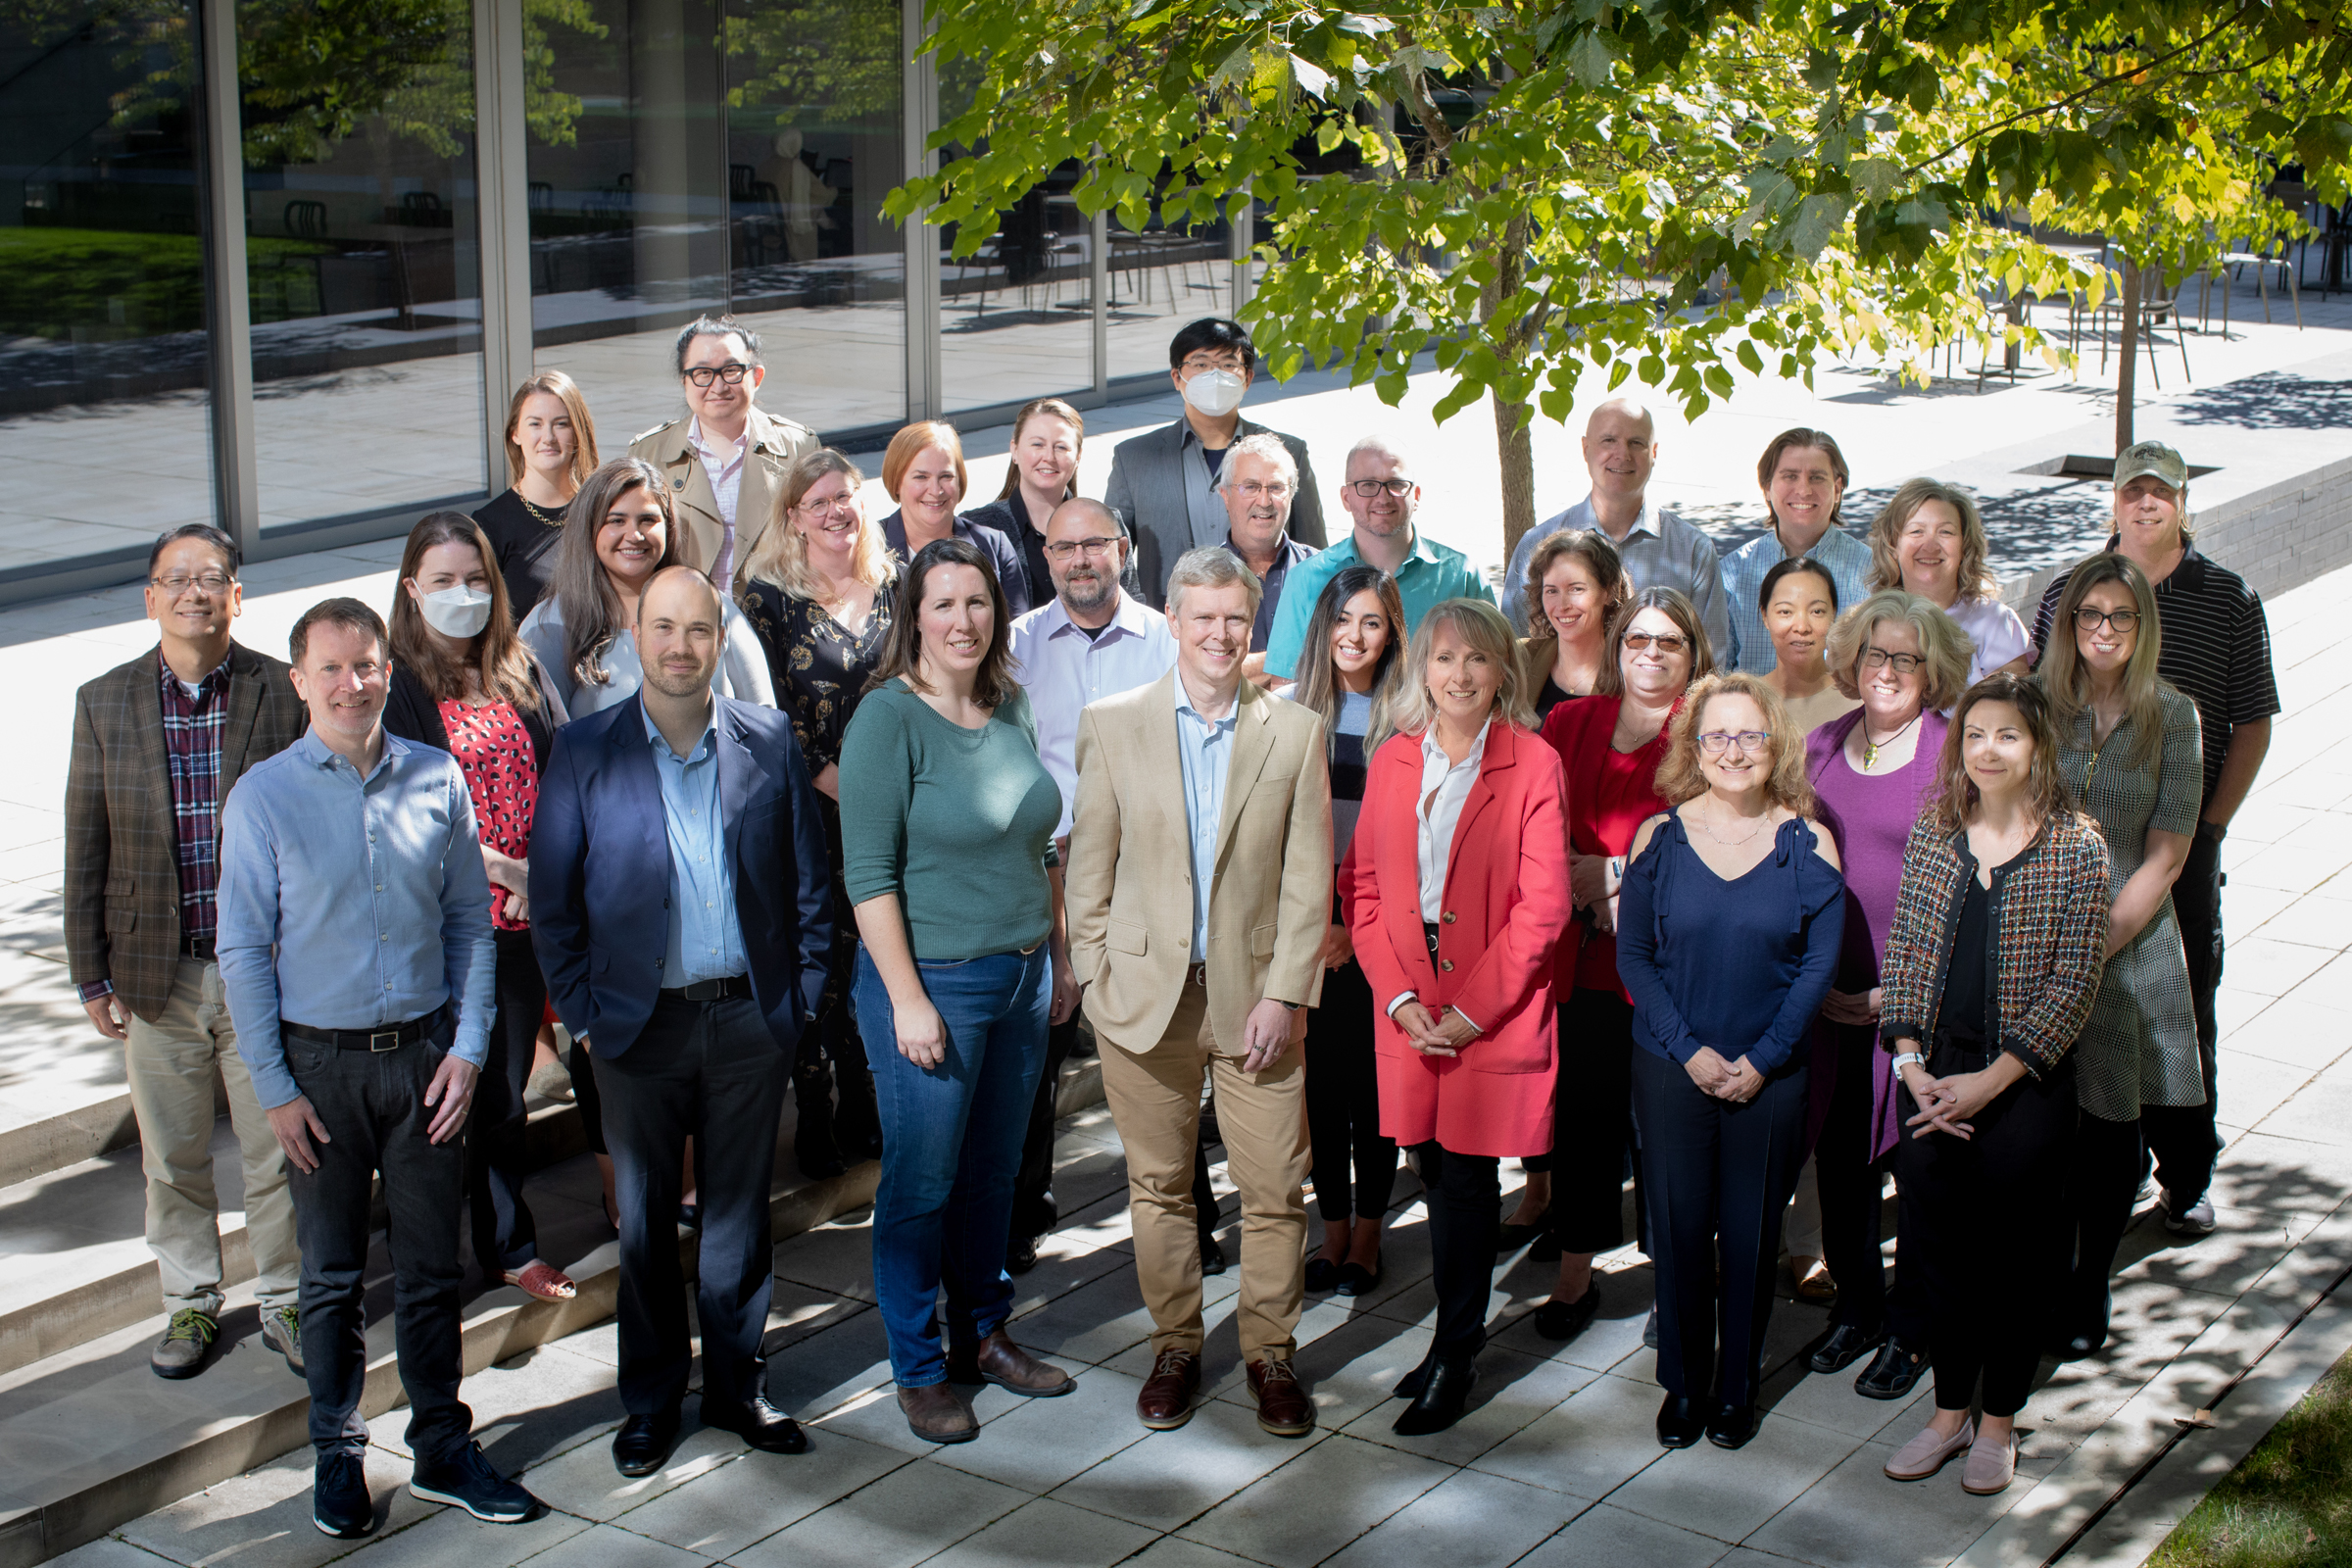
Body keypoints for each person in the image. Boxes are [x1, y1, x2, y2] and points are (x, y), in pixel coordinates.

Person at [217, 599, 543, 1539]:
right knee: (329, 1279)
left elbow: (468, 925)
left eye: (366, 666)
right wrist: (275, 1088)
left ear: (386, 672)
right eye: (332, 668)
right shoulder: (264, 798)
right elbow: (242, 952)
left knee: (433, 1270)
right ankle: (337, 1453)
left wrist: (471, 1049)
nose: (353, 683)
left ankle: (443, 1445)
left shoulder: (436, 779)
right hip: (318, 1072)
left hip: (424, 1064)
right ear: (300, 681)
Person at [529, 566, 835, 1477]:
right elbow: (554, 907)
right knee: (647, 1224)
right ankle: (652, 1402)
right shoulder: (585, 751)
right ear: (635, 636)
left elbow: (811, 887)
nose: (679, 647)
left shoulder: (769, 739)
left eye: (697, 630)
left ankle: (739, 1389)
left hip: (750, 1021)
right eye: (662, 628)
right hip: (635, 1030)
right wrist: (584, 1017)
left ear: (718, 639)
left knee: (740, 1219)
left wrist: (799, 1001)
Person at [1066, 547, 1333, 1438]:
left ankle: (1270, 1353)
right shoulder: (1111, 724)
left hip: (1256, 999)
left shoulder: (1295, 732)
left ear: (1249, 624)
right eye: (1202, 616)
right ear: (1172, 622)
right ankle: (1175, 1344)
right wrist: (1098, 973)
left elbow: (1308, 880)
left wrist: (1286, 993)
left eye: (1234, 617)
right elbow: (1088, 868)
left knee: (1273, 1189)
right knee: (1159, 1185)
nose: (1219, 634)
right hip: (1143, 998)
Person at [839, 539, 1079, 1444]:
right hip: (934, 983)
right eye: (943, 605)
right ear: (914, 617)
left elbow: (1039, 846)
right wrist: (906, 999)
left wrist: (1055, 957)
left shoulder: (1008, 701)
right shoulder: (885, 722)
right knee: (923, 1184)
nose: (963, 622)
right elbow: (868, 876)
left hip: (1020, 978)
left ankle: (985, 1334)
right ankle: (920, 1367)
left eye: (977, 603)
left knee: (994, 1175)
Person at [66, 524, 308, 1381]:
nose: (194, 594)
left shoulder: (283, 691)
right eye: (178, 580)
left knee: (278, 1149)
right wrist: (88, 969)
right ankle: (192, 1305)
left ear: (237, 597)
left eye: (212, 580)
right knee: (171, 1157)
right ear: (151, 598)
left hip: (263, 972)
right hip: (155, 976)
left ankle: (285, 1299)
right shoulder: (104, 700)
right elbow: (84, 841)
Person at [2030, 441, 2277, 1240]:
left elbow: (2253, 723)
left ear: (2180, 503)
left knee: (2178, 1005)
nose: (2145, 506)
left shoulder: (2229, 598)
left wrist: (2209, 828)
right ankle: (2111, 1155)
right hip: (2068, 848)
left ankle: (2186, 1171)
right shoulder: (2069, 590)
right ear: (2113, 502)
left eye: (2159, 494)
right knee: (2084, 1013)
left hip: (2175, 832)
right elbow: (2039, 694)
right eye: (2131, 492)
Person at [1877, 673, 2110, 1497]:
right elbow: (1904, 953)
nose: (1988, 749)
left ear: (2038, 744)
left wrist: (1991, 1083)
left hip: (2023, 1083)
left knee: (2015, 1259)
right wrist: (1912, 1067)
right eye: (1975, 733)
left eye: (2007, 734)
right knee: (1935, 1250)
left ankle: (2000, 1422)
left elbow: (2074, 986)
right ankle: (1947, 1416)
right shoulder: (1939, 832)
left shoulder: (2078, 847)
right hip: (1932, 1075)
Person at [1346, 599, 1573, 1435]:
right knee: (1431, 1169)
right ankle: (1450, 1336)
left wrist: (1472, 1012)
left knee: (1470, 1180)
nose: (1461, 675)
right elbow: (1364, 889)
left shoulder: (1534, 762)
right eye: (1444, 660)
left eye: (1478, 660)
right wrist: (1402, 1000)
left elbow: (1544, 907)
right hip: (1409, 995)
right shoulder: (1394, 761)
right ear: (1422, 672)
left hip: (1489, 995)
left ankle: (1457, 1352)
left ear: (1502, 671)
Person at [1617, 672, 1844, 1451]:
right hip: (1671, 1067)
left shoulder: (1807, 842)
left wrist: (1764, 1057)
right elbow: (1635, 958)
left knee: (1750, 1236)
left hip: (1770, 1074)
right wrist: (1689, 1052)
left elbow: (1819, 967)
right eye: (1718, 735)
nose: (1735, 750)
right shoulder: (1658, 838)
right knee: (1679, 1231)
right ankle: (1685, 1384)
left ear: (1775, 743)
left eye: (1751, 734)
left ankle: (1737, 1388)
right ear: (1694, 746)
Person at [382, 514, 576, 1304]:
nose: (461, 596)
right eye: (443, 582)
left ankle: (507, 1243)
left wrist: (550, 873)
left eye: (474, 580)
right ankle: (429, 1259)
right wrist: (502, 868)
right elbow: (395, 816)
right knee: (449, 1091)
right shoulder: (395, 687)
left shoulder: (517, 665)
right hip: (455, 926)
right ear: (411, 591)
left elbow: (560, 771)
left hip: (528, 922)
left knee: (504, 1090)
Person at [1517, 588, 1712, 1335]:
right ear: (1617, 648)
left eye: (1670, 643)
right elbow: (1532, 830)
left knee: (1666, 1130)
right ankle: (1575, 1270)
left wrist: (1615, 877)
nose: (1652, 655)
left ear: (1693, 656)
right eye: (1638, 641)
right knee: (1583, 1121)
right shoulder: (1569, 721)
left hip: (1665, 971)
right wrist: (1580, 879)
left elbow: (1713, 844)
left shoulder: (1705, 737)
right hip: (1576, 965)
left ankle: (1677, 1282)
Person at [1801, 591, 1971, 1400]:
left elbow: (1968, 893)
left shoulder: (1953, 757)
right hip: (1829, 1005)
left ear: (1931, 668)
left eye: (1906, 657)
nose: (1890, 670)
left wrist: (1892, 996)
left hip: (1916, 1012)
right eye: (1876, 654)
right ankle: (1859, 1307)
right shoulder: (1820, 749)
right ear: (1854, 662)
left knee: (1923, 1177)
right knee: (1840, 1171)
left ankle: (1913, 1327)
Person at [1004, 498, 1178, 1273]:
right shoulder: (1013, 647)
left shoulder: (1167, 641)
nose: (1081, 560)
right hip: (1041, 871)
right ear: (1046, 557)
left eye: (1095, 545)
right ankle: (1023, 1211)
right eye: (1064, 547)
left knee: (1156, 1050)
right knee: (1035, 1051)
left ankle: (1182, 1214)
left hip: (1142, 871)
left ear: (1123, 549)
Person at [2043, 555, 2203, 1360]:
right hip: (2035, 932)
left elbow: (2169, 851)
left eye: (2120, 616)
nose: (2103, 630)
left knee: (2109, 1124)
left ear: (2143, 628)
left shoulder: (2174, 715)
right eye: (2089, 615)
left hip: (2127, 943)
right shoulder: (2038, 705)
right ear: (2069, 624)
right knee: (2039, 1119)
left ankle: (2089, 1280)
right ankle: (2040, 1271)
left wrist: (2095, 943)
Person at [738, 450, 892, 1181]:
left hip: (896, 810)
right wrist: (837, 785)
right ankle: (818, 1106)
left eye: (846, 497)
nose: (835, 511)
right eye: (819, 500)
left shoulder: (895, 588)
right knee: (817, 958)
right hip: (809, 812)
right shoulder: (765, 598)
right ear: (793, 515)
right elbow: (766, 716)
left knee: (880, 951)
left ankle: (868, 1098)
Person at [1275, 566, 1407, 1298]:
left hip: (1375, 916)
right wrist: (1312, 918)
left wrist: (1355, 926)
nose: (1355, 637)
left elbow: (1408, 837)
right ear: (1322, 625)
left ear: (1391, 635)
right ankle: (1329, 1228)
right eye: (1344, 620)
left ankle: (1367, 1232)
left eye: (1372, 623)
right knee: (1319, 1086)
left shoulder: (1404, 715)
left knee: (1369, 1086)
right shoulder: (1292, 712)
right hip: (1306, 914)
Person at [518, 458, 775, 717]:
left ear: (669, 527)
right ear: (589, 528)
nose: (635, 535)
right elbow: (539, 737)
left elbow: (763, 717)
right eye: (616, 521)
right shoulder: (549, 625)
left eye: (647, 520)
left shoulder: (714, 607)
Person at [1106, 318, 1328, 608]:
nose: (1214, 375)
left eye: (1227, 365)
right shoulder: (1134, 458)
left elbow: (1314, 552)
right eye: (1200, 364)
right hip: (1168, 629)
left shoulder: (1287, 452)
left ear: (1247, 378)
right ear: (1177, 377)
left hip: (1266, 623)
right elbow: (1112, 557)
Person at [1501, 399, 1729, 655]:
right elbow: (1514, 650)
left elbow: (1712, 658)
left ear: (1653, 453)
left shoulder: (1693, 551)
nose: (1623, 454)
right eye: (1609, 440)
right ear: (1586, 449)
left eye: (1636, 443)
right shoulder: (1536, 545)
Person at [1262, 435, 1492, 681]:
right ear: (1346, 498)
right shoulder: (1307, 578)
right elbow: (1285, 687)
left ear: (1416, 496)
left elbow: (1495, 668)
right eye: (1368, 485)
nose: (1383, 497)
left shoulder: (1463, 576)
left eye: (1396, 483)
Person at [627, 314, 818, 594]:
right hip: (683, 616)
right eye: (703, 373)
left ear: (757, 376)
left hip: (775, 619)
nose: (718, 387)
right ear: (684, 381)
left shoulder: (799, 447)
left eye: (731, 371)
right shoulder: (647, 453)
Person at [1719, 428, 1875, 673]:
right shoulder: (1732, 572)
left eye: (1816, 477)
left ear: (1837, 489)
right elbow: (1718, 669)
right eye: (1790, 476)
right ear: (1767, 488)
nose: (1803, 490)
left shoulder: (1872, 573)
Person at [1864, 480, 2030, 687]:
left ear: (1964, 546)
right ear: (1892, 545)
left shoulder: (1996, 622)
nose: (1930, 546)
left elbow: (2010, 711)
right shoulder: (1868, 621)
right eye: (1916, 531)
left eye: (1945, 532)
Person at [474, 370, 601, 620]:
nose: (549, 438)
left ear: (578, 432)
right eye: (535, 424)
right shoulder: (489, 525)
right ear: (515, 433)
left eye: (561, 424)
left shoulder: (603, 509)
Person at [875, 421, 1033, 614]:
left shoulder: (994, 547)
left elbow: (1015, 634)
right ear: (896, 482)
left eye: (946, 476)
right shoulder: (868, 548)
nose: (935, 490)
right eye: (921, 477)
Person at [965, 397, 1086, 614]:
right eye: (1037, 444)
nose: (1048, 457)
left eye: (1061, 447)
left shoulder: (1103, 526)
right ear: (1015, 450)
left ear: (1078, 457)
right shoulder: (977, 528)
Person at [1216, 431, 1318, 667]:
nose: (1264, 501)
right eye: (1250, 487)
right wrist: (1298, 658)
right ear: (1226, 496)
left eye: (1276, 487)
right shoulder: (1200, 579)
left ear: (1291, 495)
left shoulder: (1323, 572)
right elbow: (1206, 673)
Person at [1518, 528, 1630, 720]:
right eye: (1552, 591)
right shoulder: (1521, 658)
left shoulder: (1631, 668)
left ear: (1609, 593)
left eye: (1576, 589)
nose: (1562, 605)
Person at [1758, 557, 1860, 734]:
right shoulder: (1747, 700)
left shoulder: (1859, 701)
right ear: (1765, 615)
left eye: (1817, 611)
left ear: (1834, 614)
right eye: (1785, 612)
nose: (1802, 627)